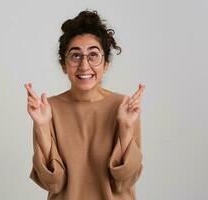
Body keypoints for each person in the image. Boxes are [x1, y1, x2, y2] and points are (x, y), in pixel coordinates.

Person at [24, 10, 146, 200]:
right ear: (64, 65)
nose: (84, 66)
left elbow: (124, 180)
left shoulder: (124, 107)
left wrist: (126, 127)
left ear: (106, 64)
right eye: (75, 56)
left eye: (93, 55)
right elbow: (53, 183)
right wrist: (42, 126)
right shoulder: (48, 109)